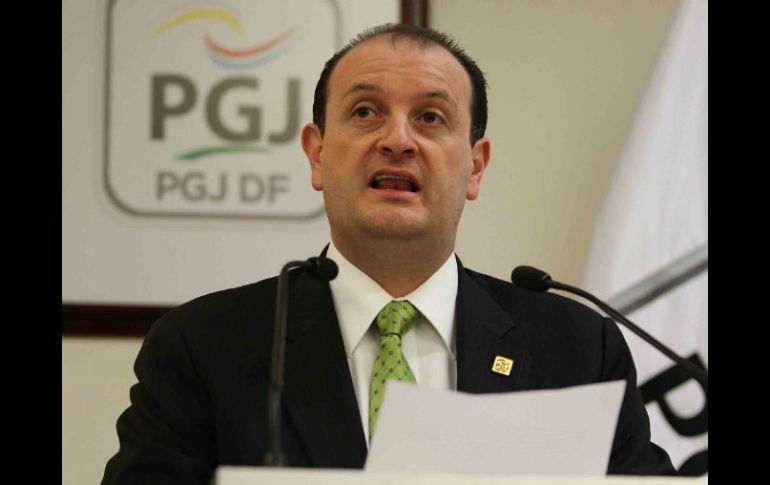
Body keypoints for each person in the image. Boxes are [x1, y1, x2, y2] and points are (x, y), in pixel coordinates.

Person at [102, 23, 676, 484]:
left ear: (475, 166)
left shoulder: (578, 349)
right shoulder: (205, 346)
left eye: (430, 117)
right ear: (317, 154)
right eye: (365, 112)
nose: (398, 140)